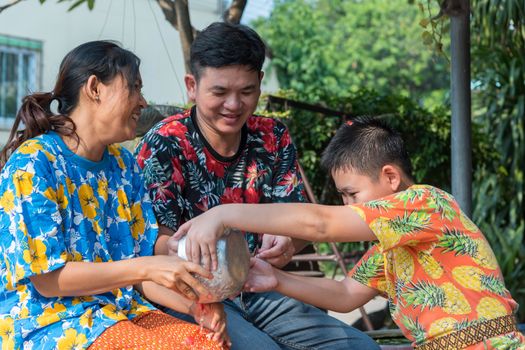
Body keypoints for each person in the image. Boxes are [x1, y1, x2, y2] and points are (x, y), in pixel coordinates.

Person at [174, 116, 525, 350]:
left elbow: (321, 224)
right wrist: (276, 280)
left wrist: (224, 215)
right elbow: (344, 293)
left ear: (390, 177)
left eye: (351, 194)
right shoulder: (392, 246)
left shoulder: (425, 202)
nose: (346, 206)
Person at [136, 22, 378, 350]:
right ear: (192, 86)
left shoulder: (273, 136)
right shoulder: (164, 143)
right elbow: (153, 245)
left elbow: (302, 223)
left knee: (361, 348)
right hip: (191, 297)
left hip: (261, 287)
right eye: (220, 92)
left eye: (246, 91)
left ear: (260, 84)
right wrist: (205, 253)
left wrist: (289, 241)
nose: (234, 105)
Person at [0, 41, 229, 349]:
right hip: (48, 322)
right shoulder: (33, 164)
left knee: (207, 343)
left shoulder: (123, 164)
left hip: (119, 313)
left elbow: (140, 271)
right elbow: (48, 280)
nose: (143, 102)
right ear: (95, 88)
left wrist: (195, 303)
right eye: (134, 87)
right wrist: (148, 266)